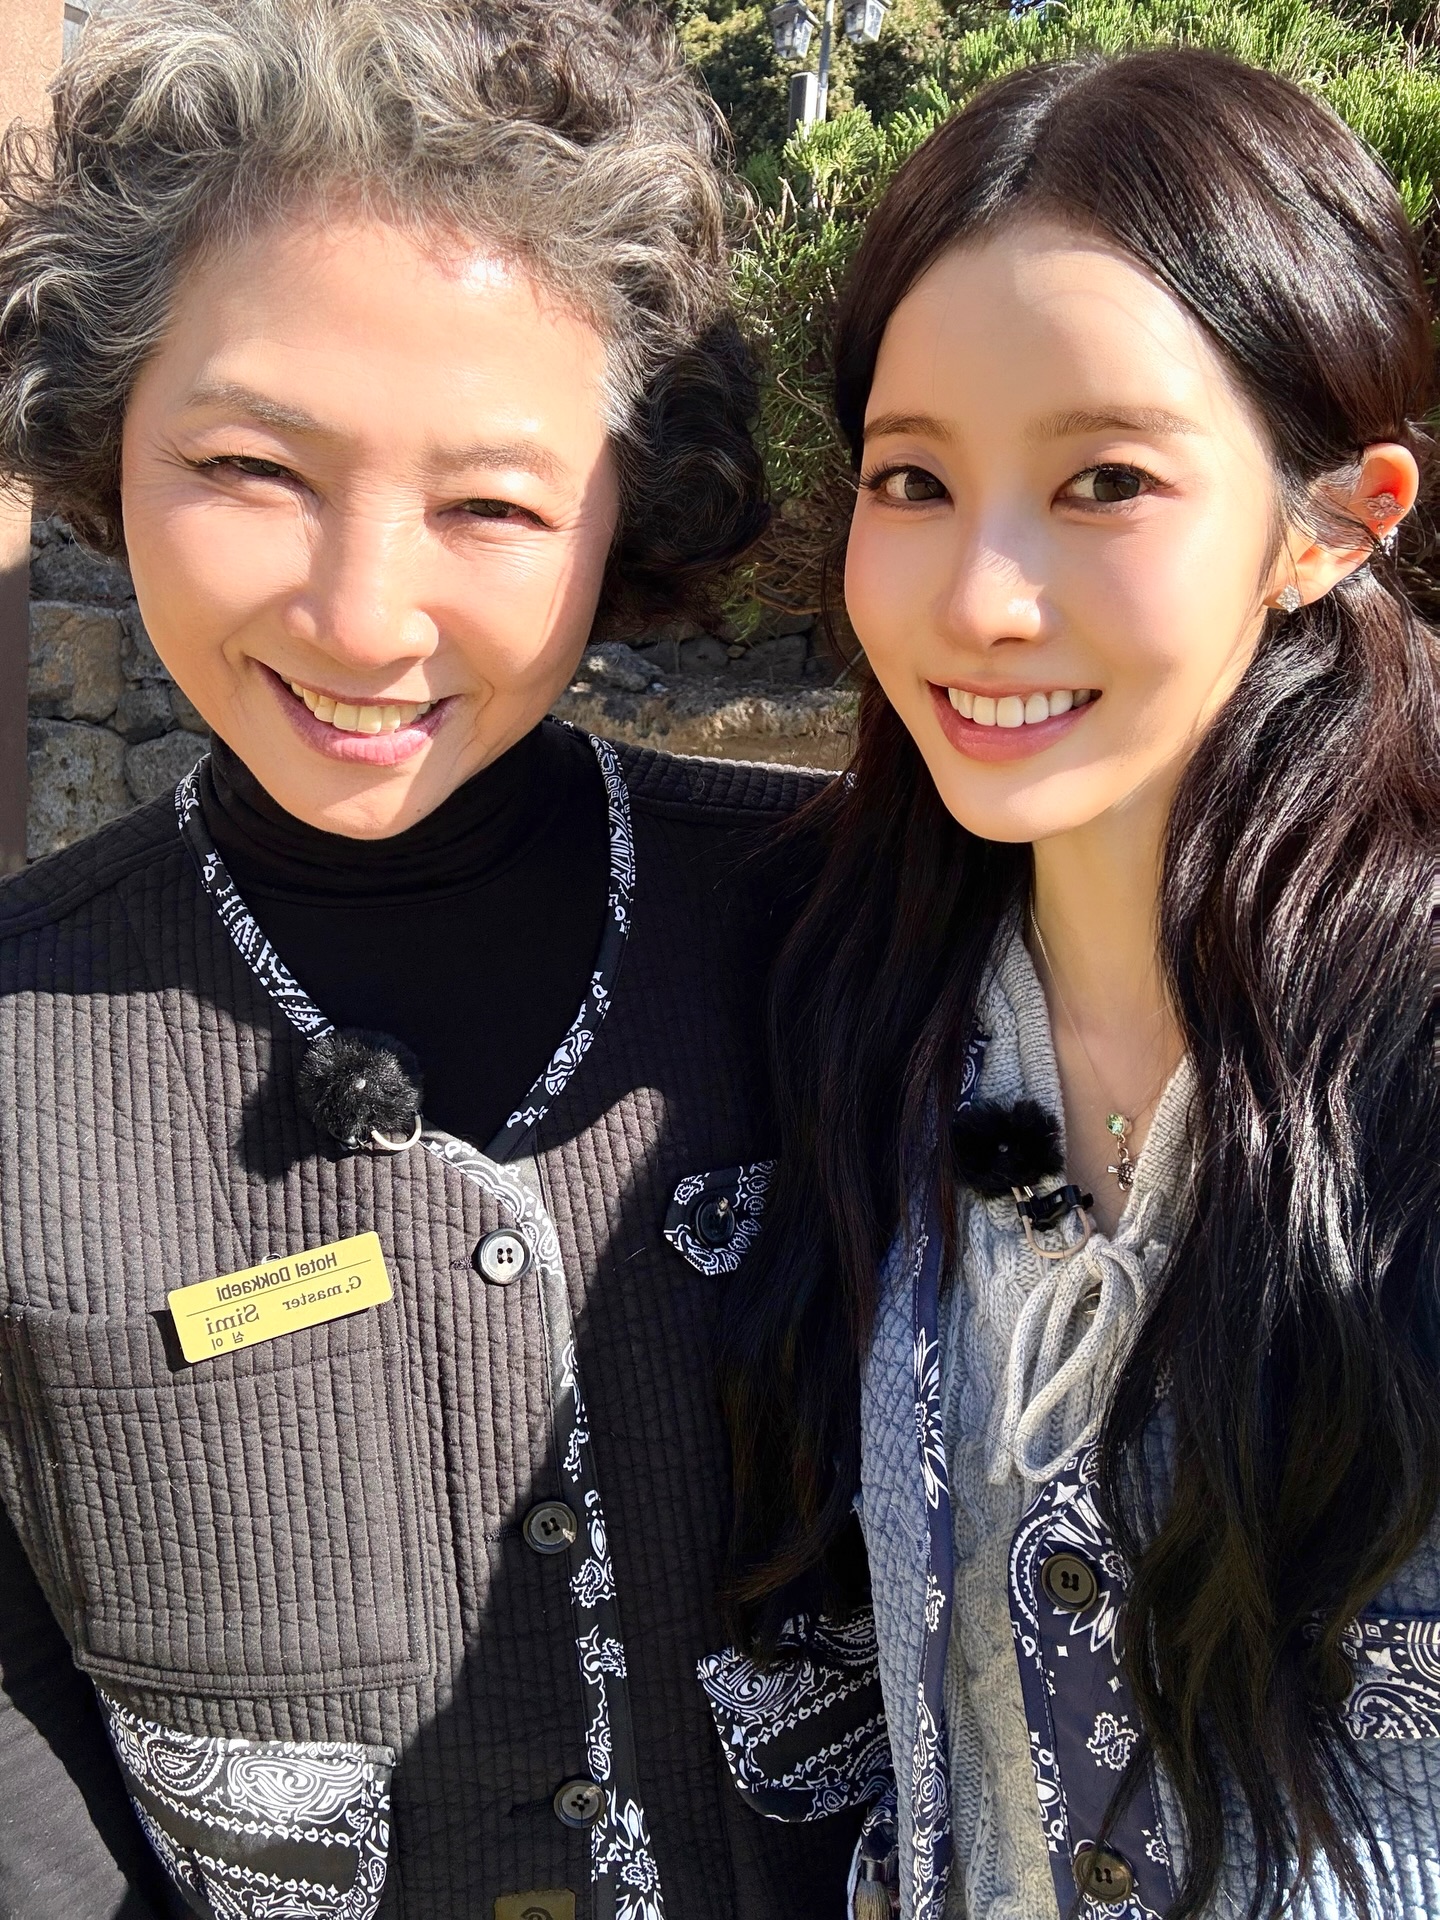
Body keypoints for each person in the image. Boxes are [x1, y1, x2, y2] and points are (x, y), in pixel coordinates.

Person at [0, 3, 858, 1916]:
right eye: (253, 466)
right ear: (102, 428)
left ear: (633, 503)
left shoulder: (844, 931)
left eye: (489, 504)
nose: (363, 615)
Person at [712, 47, 1439, 1920]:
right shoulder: (862, 1006)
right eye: (914, 479)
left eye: (1105, 479)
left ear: (1334, 519)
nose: (980, 597)